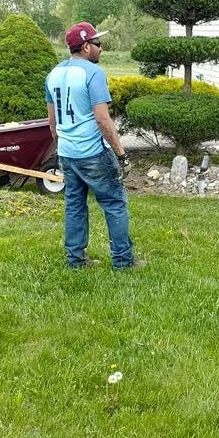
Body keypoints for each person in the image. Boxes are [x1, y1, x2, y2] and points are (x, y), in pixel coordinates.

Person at [45, 21, 142, 270]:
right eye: (98, 44)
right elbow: (102, 119)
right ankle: (123, 261)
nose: (101, 48)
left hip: (67, 153)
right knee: (114, 202)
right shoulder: (93, 73)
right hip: (92, 153)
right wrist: (121, 154)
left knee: (74, 204)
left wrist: (60, 147)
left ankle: (75, 260)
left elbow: (52, 121)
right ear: (86, 47)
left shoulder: (53, 74)